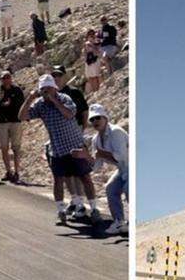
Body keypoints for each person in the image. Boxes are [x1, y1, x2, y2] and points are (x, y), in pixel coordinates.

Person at [20, 74, 92, 224]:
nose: (46, 92)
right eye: (43, 89)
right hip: (57, 148)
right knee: (59, 179)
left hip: (74, 144)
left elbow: (69, 114)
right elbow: (22, 116)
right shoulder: (40, 105)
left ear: (54, 88)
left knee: (83, 176)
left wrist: (54, 100)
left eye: (48, 88)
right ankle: (61, 211)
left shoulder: (64, 98)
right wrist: (30, 99)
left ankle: (91, 207)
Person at [51, 66, 100, 221]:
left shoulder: (73, 92)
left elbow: (84, 111)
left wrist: (82, 129)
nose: (57, 78)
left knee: (80, 172)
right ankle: (76, 201)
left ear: (65, 76)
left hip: (74, 132)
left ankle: (85, 205)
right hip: (59, 137)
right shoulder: (51, 96)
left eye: (59, 75)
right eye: (54, 76)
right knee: (67, 173)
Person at [88, 104, 128, 235]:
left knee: (129, 189)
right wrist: (84, 156)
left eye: (98, 118)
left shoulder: (116, 132)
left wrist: (102, 153)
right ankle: (119, 221)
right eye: (92, 119)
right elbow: (97, 165)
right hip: (122, 169)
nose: (95, 121)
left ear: (105, 118)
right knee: (111, 188)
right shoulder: (96, 139)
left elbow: (121, 156)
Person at [0, 71, 25, 182]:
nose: (5, 80)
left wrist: (12, 105)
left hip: (15, 121)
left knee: (16, 147)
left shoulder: (17, 90)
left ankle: (17, 172)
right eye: (3, 78)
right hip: (3, 122)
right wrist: (1, 102)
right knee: (4, 147)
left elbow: (22, 104)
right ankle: (8, 171)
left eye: (7, 77)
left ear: (11, 78)